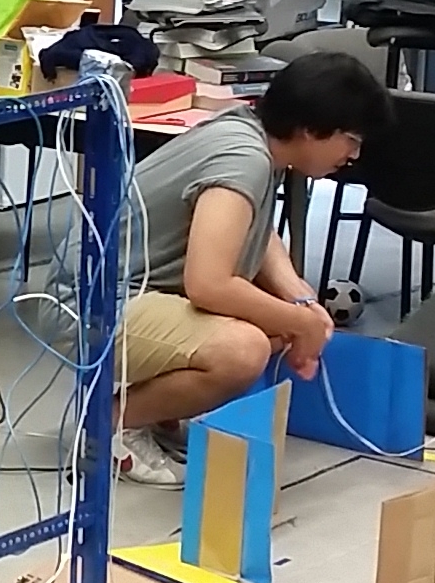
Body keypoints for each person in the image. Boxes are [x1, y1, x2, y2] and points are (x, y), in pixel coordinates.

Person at [113, 52, 390, 487]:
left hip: (132, 292)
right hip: (94, 307)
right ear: (310, 129)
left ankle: (156, 412)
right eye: (350, 140)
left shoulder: (250, 135)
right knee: (243, 350)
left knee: (273, 326)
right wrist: (301, 322)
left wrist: (298, 298)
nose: (353, 154)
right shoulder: (244, 158)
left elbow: (251, 228)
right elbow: (208, 285)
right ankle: (111, 423)